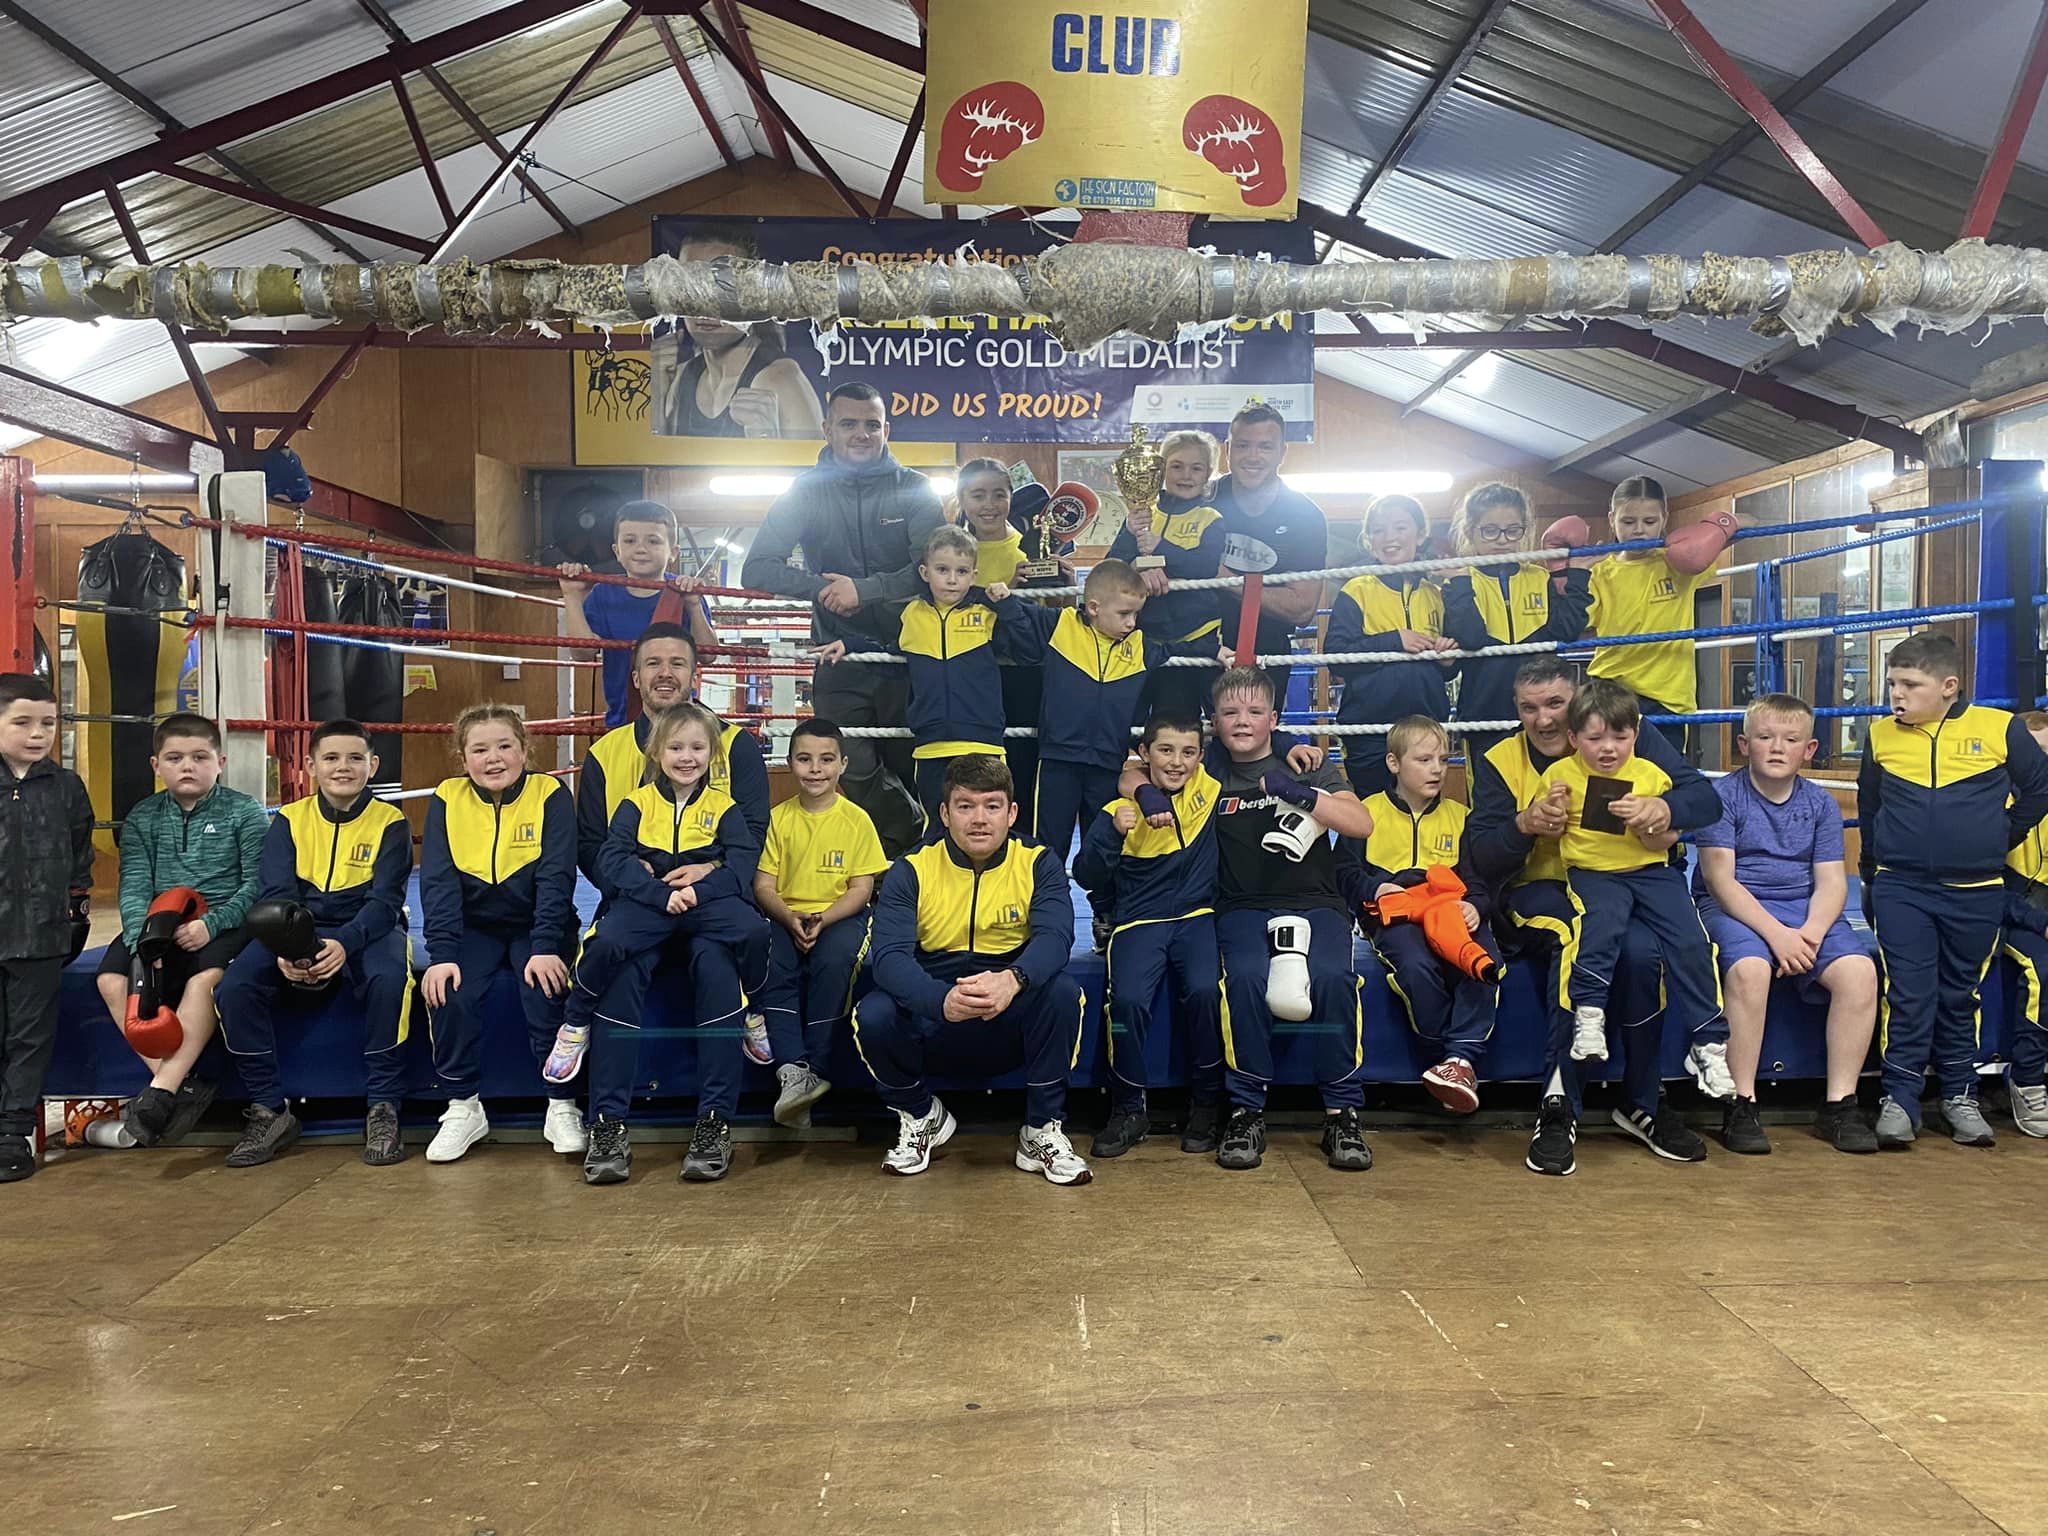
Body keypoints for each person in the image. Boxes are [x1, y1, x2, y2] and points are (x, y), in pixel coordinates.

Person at [1464, 659, 1721, 1177]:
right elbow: (1479, 854)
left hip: (1620, 885)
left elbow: (1704, 798)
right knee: (1573, 934)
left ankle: (1644, 1100)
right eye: (1529, 708)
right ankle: (1558, 1106)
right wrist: (1524, 825)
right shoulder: (1499, 758)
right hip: (1536, 893)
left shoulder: (1622, 734)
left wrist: (1664, 811)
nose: (1543, 720)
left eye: (1555, 704)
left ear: (1578, 702)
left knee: (1645, 952)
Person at [551, 702, 770, 1186]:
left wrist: (700, 887)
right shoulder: (636, 801)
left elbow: (742, 860)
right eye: (676, 747)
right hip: (651, 903)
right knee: (610, 949)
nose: (686, 757)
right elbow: (610, 856)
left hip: (702, 902)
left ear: (712, 754)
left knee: (741, 944)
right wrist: (654, 892)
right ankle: (601, 1103)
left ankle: (717, 1115)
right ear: (657, 752)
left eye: (697, 747)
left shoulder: (723, 806)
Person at [850, 754, 1091, 1185]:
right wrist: (938, 1000)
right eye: (965, 806)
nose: (979, 819)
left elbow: (1056, 937)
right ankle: (921, 1116)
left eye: (992, 805)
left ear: (1012, 812)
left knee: (1062, 993)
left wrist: (1013, 980)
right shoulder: (911, 868)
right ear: (944, 813)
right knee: (873, 1011)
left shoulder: (1039, 861)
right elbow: (888, 957)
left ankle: (1041, 1131)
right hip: (936, 1012)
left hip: (1008, 1007)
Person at [1859, 632, 2048, 1148]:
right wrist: (1870, 875)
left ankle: (1960, 1093)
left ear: (1948, 686)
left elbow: (2040, 787)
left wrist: (2003, 834)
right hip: (1902, 888)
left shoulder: (1999, 728)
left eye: (1910, 684)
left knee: (1959, 994)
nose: (1896, 694)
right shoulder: (1880, 736)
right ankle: (1899, 1097)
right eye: (1892, 682)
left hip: (1978, 889)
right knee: (1908, 992)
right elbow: (1870, 811)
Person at [741, 381, 946, 855]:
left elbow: (934, 571)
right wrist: (827, 590)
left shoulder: (914, 488)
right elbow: (759, 566)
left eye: (871, 425)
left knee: (913, 763)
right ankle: (910, 849)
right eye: (849, 424)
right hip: (839, 654)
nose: (861, 434)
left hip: (912, 654)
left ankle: (913, 880)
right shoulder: (806, 490)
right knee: (853, 767)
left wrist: (866, 591)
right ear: (827, 428)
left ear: (886, 429)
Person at [1198, 667, 1377, 1171]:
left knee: (1334, 978)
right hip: (1242, 905)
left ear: (1274, 719)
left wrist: (1301, 793)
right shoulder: (1209, 770)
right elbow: (1137, 766)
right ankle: (1246, 1109)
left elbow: (1361, 821)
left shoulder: (1305, 763)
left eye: (1256, 712)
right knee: (1246, 980)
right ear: (1215, 720)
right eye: (1231, 712)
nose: (1243, 722)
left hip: (1317, 901)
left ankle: (1343, 1112)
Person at [1544, 681, 1730, 1162]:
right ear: (1574, 737)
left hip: (1649, 875)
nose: (1607, 749)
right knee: (1594, 935)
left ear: (1635, 734)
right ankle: (1582, 1038)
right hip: (1586, 879)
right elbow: (1512, 835)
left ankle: (1704, 1046)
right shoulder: (1552, 771)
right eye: (1594, 737)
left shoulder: (1649, 767)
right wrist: (1540, 817)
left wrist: (1659, 815)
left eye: (1618, 737)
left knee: (1682, 944)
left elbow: (1699, 805)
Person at [216, 720, 412, 1169]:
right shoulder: (289, 819)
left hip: (366, 927)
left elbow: (385, 903)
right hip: (296, 927)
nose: (343, 767)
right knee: (234, 987)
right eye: (331, 758)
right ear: (310, 766)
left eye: (355, 758)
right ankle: (270, 1109)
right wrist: (291, 948)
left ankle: (383, 1107)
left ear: (373, 765)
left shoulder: (391, 822)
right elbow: (277, 894)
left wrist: (343, 943)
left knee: (389, 980)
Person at [576, 622, 772, 1059]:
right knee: (617, 962)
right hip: (634, 899)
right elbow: (589, 844)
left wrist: (713, 873)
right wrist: (636, 884)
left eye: (677, 663)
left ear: (694, 673)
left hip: (714, 901)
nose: (665, 673)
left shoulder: (735, 745)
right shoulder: (605, 752)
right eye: (653, 663)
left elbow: (754, 834)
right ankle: (608, 1114)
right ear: (636, 678)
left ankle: (717, 1114)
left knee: (724, 964)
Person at [1693, 694, 1878, 1155]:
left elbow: (1833, 882)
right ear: (1744, 744)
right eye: (1765, 737)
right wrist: (1777, 937)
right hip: (1737, 905)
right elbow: (1720, 880)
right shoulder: (1723, 797)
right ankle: (1741, 1102)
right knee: (1750, 970)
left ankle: (1840, 1103)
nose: (1777, 747)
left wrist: (1810, 934)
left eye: (1791, 739)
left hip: (1802, 907)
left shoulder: (1819, 803)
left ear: (1809, 749)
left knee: (1860, 973)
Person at [992, 559, 1229, 885]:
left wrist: (1214, 650)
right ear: (1093, 607)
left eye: (1135, 614)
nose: (1131, 622)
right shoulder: (1061, 626)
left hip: (1107, 764)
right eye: (1124, 614)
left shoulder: (1139, 646)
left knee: (1102, 843)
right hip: (1058, 761)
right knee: (1048, 845)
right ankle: (1042, 913)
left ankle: (1103, 914)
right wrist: (1003, 600)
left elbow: (1178, 647)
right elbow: (1021, 617)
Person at [95, 713, 267, 1149]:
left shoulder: (243, 812)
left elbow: (258, 884)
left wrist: (211, 925)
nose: (187, 766)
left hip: (224, 922)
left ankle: (162, 1091)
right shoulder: (144, 817)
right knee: (111, 978)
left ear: (220, 762)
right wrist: (141, 940)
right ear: (157, 765)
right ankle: (179, 1084)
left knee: (205, 980)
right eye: (175, 758)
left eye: (199, 757)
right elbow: (133, 883)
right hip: (159, 922)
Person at [418, 706, 580, 1164]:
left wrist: (547, 945)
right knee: (448, 991)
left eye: (505, 746)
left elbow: (556, 876)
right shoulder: (447, 799)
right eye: (480, 749)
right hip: (475, 927)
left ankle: (561, 1102)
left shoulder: (550, 794)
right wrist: (443, 952)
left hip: (536, 922)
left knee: (544, 986)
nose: (494, 758)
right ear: (462, 757)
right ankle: (462, 1105)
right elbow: (438, 879)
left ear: (525, 750)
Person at [817, 524, 1049, 837]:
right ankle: (935, 889)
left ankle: (989, 887)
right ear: (925, 573)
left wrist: (1008, 605)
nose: (952, 579)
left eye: (962, 571)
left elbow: (1029, 652)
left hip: (982, 742)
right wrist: (852, 645)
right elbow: (894, 658)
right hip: (930, 746)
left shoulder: (988, 610)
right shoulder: (912, 613)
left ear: (973, 574)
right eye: (943, 569)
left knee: (985, 828)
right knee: (937, 829)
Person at [1073, 711, 1224, 1157]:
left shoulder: (1209, 789)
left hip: (1198, 916)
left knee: (1204, 991)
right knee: (1125, 1004)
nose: (1177, 762)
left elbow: (1253, 738)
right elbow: (1085, 874)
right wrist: (1113, 835)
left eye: (1188, 752)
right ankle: (1128, 1108)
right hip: (1139, 921)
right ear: (1143, 754)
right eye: (1165, 750)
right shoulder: (1118, 810)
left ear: (1200, 758)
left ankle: (1208, 1102)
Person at [1356, 716, 1501, 1115]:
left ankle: (1460, 1062)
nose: (1437, 768)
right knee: (1417, 965)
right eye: (1424, 759)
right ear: (1393, 763)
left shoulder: (1461, 815)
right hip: (1397, 914)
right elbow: (1346, 875)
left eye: (1443, 758)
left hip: (1452, 911)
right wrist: (1375, 889)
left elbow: (1479, 881)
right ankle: (1447, 1058)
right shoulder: (1367, 812)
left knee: (1484, 963)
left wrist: (1475, 905)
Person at [754, 718, 889, 1127]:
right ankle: (791, 1070)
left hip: (839, 915)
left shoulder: (857, 820)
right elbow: (763, 884)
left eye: (826, 759)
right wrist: (789, 918)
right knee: (774, 960)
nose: (815, 769)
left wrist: (823, 918)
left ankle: (817, 1066)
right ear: (790, 762)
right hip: (784, 914)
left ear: (843, 764)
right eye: (805, 759)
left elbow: (861, 888)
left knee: (835, 961)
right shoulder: (778, 819)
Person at [0, 674, 92, 1183]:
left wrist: (74, 912)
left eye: (48, 723)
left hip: (40, 936)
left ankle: (13, 1134)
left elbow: (81, 857)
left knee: (29, 1038)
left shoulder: (66, 787)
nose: (38, 733)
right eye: (22, 723)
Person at [1440, 483, 1592, 757]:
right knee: (1490, 798)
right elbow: (1471, 637)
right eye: (1490, 531)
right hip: (1485, 716)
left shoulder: (1538, 576)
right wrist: (1461, 583)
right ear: (1469, 532)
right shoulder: (1460, 581)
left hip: (1544, 716)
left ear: (1525, 529)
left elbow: (1567, 630)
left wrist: (1579, 575)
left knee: (1550, 793)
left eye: (1512, 531)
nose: (1502, 540)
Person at [1585, 476, 1728, 754]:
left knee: (1663, 783)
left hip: (1667, 698)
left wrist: (1725, 521)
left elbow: (1741, 527)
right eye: (1628, 522)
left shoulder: (1678, 562)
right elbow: (1577, 623)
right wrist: (1571, 574)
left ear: (1665, 519)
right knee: (1608, 780)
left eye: (1649, 522)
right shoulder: (1599, 573)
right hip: (1611, 690)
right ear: (1611, 519)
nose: (1639, 530)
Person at [1326, 493, 1455, 800]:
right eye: (1379, 530)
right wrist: (1394, 641)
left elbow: (1448, 671)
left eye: (1400, 527)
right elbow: (1337, 658)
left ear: (1421, 533)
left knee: (1424, 810)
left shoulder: (1435, 593)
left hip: (1425, 727)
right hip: (1370, 732)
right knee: (1371, 816)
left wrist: (1449, 660)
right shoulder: (1356, 590)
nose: (1390, 537)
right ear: (1369, 539)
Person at [556, 500, 713, 729]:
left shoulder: (686, 592)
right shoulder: (603, 593)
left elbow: (708, 655)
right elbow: (582, 653)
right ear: (616, 551)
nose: (641, 548)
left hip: (680, 721)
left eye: (653, 541)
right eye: (630, 540)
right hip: (623, 720)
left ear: (673, 552)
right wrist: (572, 597)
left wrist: (694, 606)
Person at [1210, 402, 1327, 709]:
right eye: (1243, 445)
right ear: (1227, 449)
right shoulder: (1201, 500)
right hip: (1200, 646)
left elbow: (1302, 607)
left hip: (1268, 650)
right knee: (1188, 747)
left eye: (1265, 446)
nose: (1253, 456)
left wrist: (1220, 578)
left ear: (1282, 452)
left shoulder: (1306, 516)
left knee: (1260, 748)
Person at [659, 226, 825, 439]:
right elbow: (659, 470)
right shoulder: (680, 379)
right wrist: (658, 394)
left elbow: (819, 472)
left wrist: (767, 442)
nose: (705, 305)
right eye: (692, 284)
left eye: (724, 287)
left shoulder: (781, 381)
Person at [1106, 428, 1225, 722]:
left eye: (1196, 468)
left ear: (1208, 473)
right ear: (1160, 470)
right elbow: (1112, 566)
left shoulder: (1211, 519)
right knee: (1135, 721)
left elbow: (1205, 567)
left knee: (1186, 720)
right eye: (1177, 466)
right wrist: (1136, 567)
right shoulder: (1141, 516)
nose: (1186, 475)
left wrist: (1162, 548)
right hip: (1145, 637)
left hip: (1197, 635)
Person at [957, 457, 1047, 826]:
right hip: (970, 672)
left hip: (1025, 672)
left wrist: (1063, 586)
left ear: (1012, 497)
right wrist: (1004, 592)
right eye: (978, 495)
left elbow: (1050, 615)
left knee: (1022, 768)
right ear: (962, 499)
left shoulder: (1033, 547)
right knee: (974, 768)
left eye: (999, 494)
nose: (989, 504)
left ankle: (1020, 852)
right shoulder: (952, 550)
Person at [1999, 710, 2048, 1137]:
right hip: (2012, 911)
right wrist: (2038, 920)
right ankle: (2028, 1078)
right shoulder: (1992, 804)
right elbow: (1984, 884)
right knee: (2044, 972)